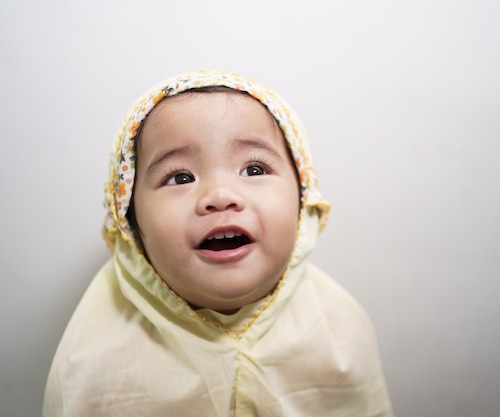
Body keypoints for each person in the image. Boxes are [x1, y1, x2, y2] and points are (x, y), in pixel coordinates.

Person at [43, 70, 394, 416]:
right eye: (180, 177)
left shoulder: (340, 331)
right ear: (129, 221)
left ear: (302, 197)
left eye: (254, 170)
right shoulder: (95, 361)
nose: (221, 196)